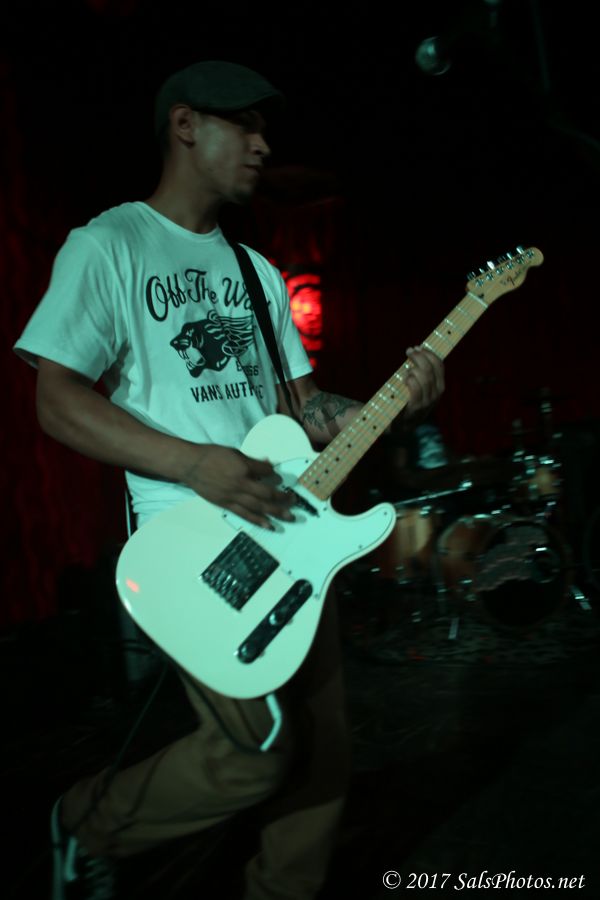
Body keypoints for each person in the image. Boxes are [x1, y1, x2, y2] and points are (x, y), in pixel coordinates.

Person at [13, 60, 445, 900]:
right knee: (253, 754)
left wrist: (391, 400)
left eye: (264, 128)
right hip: (193, 538)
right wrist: (194, 463)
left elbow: (304, 408)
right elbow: (56, 401)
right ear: (185, 125)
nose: (263, 144)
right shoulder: (110, 245)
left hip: (291, 524)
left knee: (323, 751)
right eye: (244, 124)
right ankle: (89, 819)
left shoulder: (257, 272)